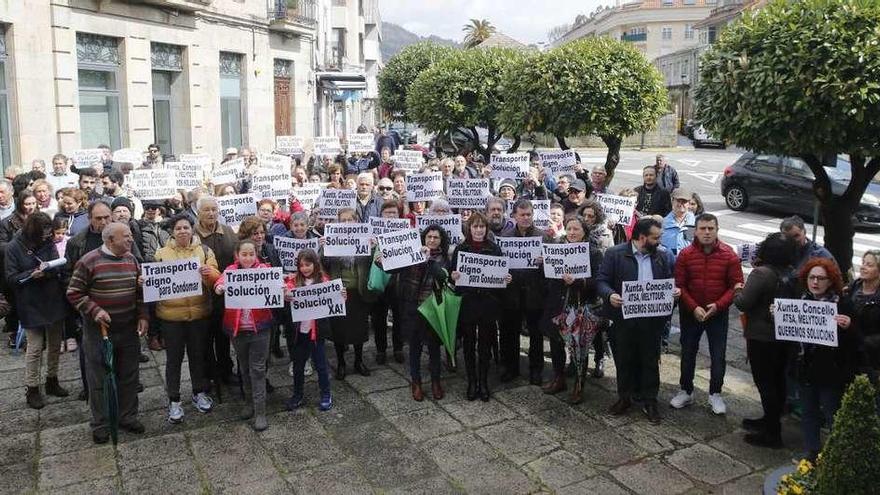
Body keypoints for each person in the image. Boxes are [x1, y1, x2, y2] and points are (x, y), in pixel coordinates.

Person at [67, 222, 149, 444]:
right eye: (126, 236)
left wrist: (143, 316)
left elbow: (139, 292)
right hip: (99, 332)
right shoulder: (89, 261)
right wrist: (95, 310)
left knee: (129, 375)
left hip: (128, 328)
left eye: (131, 235)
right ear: (110, 240)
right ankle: (101, 424)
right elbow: (74, 293)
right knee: (99, 379)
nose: (131, 239)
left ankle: (127, 416)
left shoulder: (131, 260)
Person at [597, 217, 678, 423]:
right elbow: (602, 281)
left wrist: (674, 292)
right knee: (624, 359)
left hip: (651, 320)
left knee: (650, 360)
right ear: (642, 238)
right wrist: (610, 295)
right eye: (655, 238)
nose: (659, 241)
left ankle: (650, 401)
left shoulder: (664, 256)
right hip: (623, 319)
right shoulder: (615, 254)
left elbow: (672, 280)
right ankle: (625, 397)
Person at [671, 213, 744, 415]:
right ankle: (685, 390)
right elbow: (680, 285)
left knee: (718, 355)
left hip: (717, 314)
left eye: (710, 228)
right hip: (690, 313)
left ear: (717, 230)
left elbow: (736, 286)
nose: (706, 232)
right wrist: (693, 307)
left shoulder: (729, 255)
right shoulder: (685, 255)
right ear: (696, 230)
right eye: (702, 228)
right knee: (687, 353)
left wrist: (718, 306)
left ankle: (715, 393)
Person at [153, 214, 220, 424]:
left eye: (186, 228)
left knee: (197, 356)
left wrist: (209, 273)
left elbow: (217, 279)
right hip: (171, 318)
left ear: (193, 230)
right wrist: (145, 281)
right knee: (173, 360)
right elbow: (155, 284)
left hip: (198, 315)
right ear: (172, 232)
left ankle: (199, 392)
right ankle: (174, 400)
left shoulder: (205, 251)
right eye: (178, 228)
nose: (182, 231)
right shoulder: (161, 254)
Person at [734, 232, 798, 448]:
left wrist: (738, 289)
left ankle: (772, 432)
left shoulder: (761, 274)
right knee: (778, 380)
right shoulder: (792, 272)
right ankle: (770, 420)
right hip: (783, 337)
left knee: (765, 383)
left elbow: (743, 303)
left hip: (761, 337)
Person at [794, 258, 860, 461]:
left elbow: (857, 341)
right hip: (806, 369)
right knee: (808, 412)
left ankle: (836, 456)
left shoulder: (843, 304)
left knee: (832, 413)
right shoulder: (801, 301)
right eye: (811, 278)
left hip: (831, 372)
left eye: (820, 278)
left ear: (830, 281)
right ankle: (811, 451)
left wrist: (849, 326)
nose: (815, 282)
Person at [214, 240, 280, 431]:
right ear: (237, 255)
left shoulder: (265, 270)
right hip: (238, 330)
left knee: (257, 370)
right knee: (243, 368)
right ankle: (249, 403)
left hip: (260, 329)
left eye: (252, 254)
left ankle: (260, 411)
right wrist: (219, 288)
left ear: (256, 255)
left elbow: (279, 285)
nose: (248, 258)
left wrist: (283, 289)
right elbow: (219, 283)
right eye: (244, 254)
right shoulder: (230, 271)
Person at [6, 212, 69, 409]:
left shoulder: (48, 242)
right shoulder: (14, 247)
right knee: (34, 348)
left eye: (48, 233)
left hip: (52, 298)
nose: (46, 236)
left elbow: (57, 266)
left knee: (55, 343)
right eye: (43, 233)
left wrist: (49, 269)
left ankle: (52, 379)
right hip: (31, 301)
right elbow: (10, 278)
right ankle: (32, 387)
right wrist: (31, 274)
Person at [382, 225, 450, 401]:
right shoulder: (411, 253)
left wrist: (428, 260)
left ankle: (436, 381)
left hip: (433, 310)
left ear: (441, 240)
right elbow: (391, 268)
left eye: (436, 237)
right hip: (412, 309)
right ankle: (416, 382)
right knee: (415, 348)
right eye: (429, 237)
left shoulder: (443, 258)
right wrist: (381, 261)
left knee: (434, 348)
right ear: (423, 238)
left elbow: (442, 277)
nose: (432, 240)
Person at [541, 216, 603, 404]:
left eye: (576, 229)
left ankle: (579, 384)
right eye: (569, 229)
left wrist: (578, 282)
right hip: (557, 303)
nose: (572, 232)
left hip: (580, 306)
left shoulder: (594, 253)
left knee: (579, 346)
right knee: (556, 341)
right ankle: (559, 377)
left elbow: (599, 281)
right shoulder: (556, 249)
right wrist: (543, 263)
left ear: (584, 231)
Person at [450, 212, 508, 401]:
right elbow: (452, 273)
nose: (478, 230)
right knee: (468, 343)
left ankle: (483, 381)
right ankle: (471, 381)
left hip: (488, 303)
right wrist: (454, 276)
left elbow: (501, 275)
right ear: (469, 228)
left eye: (482, 227)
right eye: (475, 226)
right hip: (467, 302)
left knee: (485, 344)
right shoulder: (461, 248)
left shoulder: (494, 248)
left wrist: (506, 278)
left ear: (486, 229)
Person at [499, 199, 548, 385]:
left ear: (533, 215)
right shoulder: (506, 237)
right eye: (522, 215)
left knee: (536, 334)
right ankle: (510, 368)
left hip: (535, 294)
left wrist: (545, 262)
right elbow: (501, 265)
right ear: (515, 216)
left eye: (529, 215)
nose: (526, 218)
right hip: (512, 293)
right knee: (510, 332)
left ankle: (536, 370)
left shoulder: (544, 237)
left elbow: (552, 269)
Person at [193, 196, 238, 386]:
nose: (211, 213)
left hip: (224, 296)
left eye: (214, 209)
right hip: (201, 297)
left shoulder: (228, 232)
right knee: (204, 340)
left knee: (223, 337)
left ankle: (226, 370)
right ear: (198, 212)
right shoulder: (191, 234)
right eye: (206, 210)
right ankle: (208, 375)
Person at [323, 207, 373, 379]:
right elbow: (322, 264)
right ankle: (341, 363)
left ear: (356, 221)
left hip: (358, 292)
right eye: (342, 220)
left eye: (350, 219)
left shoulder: (365, 239)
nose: (346, 223)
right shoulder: (332, 240)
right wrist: (324, 248)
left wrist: (373, 247)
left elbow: (375, 261)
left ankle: (359, 361)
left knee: (359, 329)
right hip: (339, 292)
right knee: (339, 330)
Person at [285, 249, 335, 412]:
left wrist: (341, 294)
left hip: (316, 333)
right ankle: (298, 395)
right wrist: (286, 295)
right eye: (301, 265)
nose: (305, 268)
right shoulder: (293, 281)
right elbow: (286, 293)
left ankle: (326, 394)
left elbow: (334, 299)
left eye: (308, 265)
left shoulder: (324, 280)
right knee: (298, 366)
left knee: (321, 365)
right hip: (299, 334)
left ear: (315, 264)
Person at [371, 201, 405, 365]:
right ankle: (381, 350)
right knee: (379, 318)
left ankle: (398, 348)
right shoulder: (374, 233)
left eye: (394, 213)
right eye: (388, 213)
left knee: (398, 317)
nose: (391, 216)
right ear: (381, 216)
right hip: (380, 281)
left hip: (398, 281)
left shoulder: (405, 232)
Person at [847, 250, 880, 375]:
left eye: (869, 265)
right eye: (863, 263)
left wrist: (864, 341)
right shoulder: (854, 287)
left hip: (872, 359)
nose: (863, 267)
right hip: (850, 354)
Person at [660, 189, 696, 257]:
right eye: (678, 201)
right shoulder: (662, 223)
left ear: (689, 204)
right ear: (672, 201)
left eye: (684, 202)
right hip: (668, 263)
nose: (680, 204)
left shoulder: (696, 223)